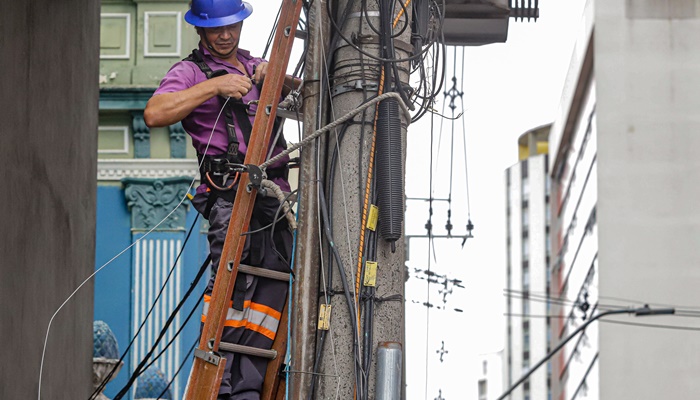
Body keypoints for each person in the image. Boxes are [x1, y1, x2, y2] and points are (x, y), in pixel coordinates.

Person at [144, 0, 298, 398]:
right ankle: (223, 388)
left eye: (232, 26)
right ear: (201, 31)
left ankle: (248, 390)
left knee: (267, 301)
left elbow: (301, 95)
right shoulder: (190, 72)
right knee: (232, 294)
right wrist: (215, 85)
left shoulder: (253, 63)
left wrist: (276, 76)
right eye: (216, 29)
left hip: (273, 201)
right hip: (232, 198)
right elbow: (155, 113)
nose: (226, 35)